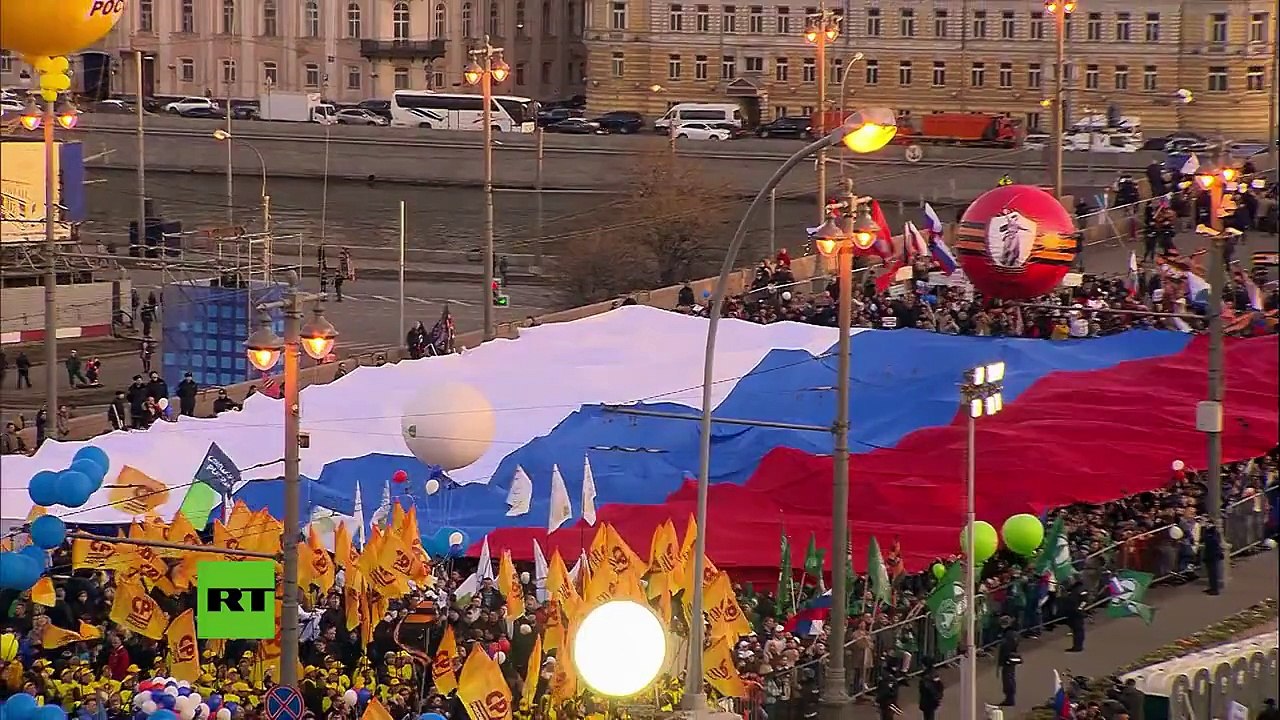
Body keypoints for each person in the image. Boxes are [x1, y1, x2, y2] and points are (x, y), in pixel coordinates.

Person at [996, 615, 1020, 706]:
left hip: (1008, 660)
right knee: (1009, 678)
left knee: (1008, 679)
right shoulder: (1013, 633)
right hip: (1010, 659)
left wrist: (1003, 659)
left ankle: (1010, 698)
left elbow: (1006, 647)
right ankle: (1010, 697)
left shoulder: (1008, 634)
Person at [1064, 576, 1088, 652]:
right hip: (1073, 612)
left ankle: (1078, 646)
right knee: (1076, 629)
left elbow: (1084, 600)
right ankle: (1077, 645)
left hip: (1077, 612)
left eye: (1071, 580)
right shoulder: (1073, 589)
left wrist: (1079, 609)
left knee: (1078, 629)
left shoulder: (1081, 589)